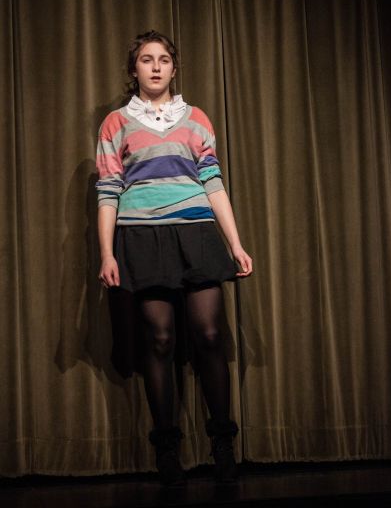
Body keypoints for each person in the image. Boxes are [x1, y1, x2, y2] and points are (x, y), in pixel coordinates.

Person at [95, 30, 252, 485]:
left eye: (164, 59)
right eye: (147, 59)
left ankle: (222, 444)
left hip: (196, 232)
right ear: (134, 69)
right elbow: (108, 191)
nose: (156, 67)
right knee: (160, 340)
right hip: (142, 236)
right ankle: (167, 448)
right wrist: (107, 253)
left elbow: (213, 183)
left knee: (209, 334)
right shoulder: (115, 123)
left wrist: (235, 244)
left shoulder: (196, 119)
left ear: (174, 68)